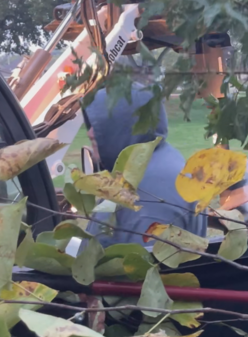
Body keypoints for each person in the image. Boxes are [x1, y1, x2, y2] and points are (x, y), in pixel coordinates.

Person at [83, 85, 208, 247]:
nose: (90, 133)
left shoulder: (146, 194)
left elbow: (145, 267)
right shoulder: (158, 160)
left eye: (102, 124)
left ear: (126, 123)